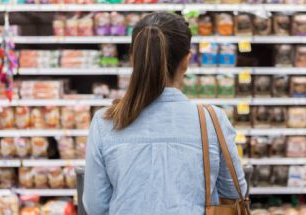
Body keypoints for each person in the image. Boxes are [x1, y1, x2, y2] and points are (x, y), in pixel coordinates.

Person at [83, 12, 247, 215]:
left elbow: (95, 205)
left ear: (135, 60)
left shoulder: (105, 122)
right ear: (186, 61)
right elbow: (233, 192)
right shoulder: (212, 119)